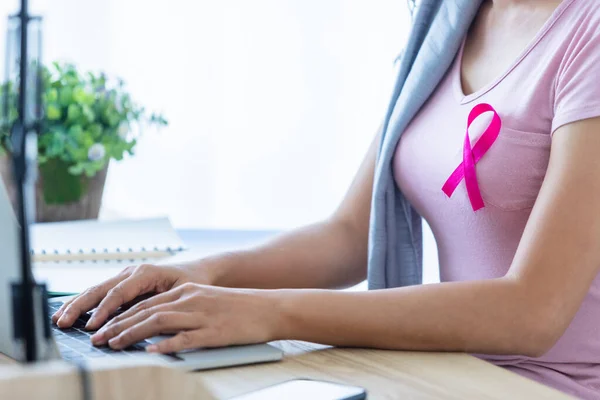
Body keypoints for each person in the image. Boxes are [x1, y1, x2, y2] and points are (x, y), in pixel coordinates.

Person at [53, 0, 600, 397]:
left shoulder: (588, 32)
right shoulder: (445, 18)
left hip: (547, 388)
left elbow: (534, 312)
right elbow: (349, 235)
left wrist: (270, 313)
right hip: (448, 371)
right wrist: (201, 274)